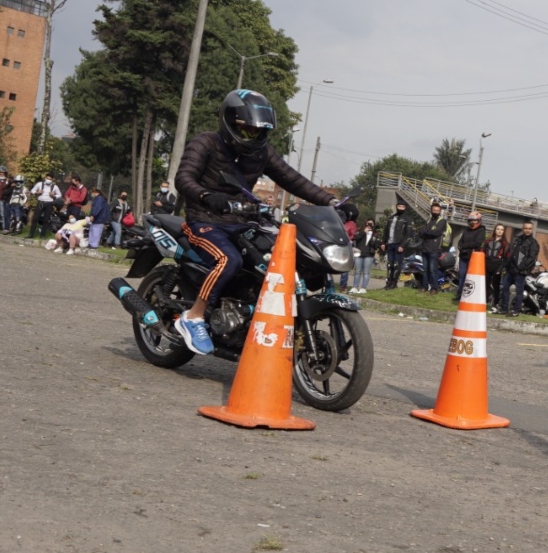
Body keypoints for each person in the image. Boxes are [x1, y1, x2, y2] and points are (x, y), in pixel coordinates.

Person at [172, 89, 355, 355]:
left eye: (258, 131)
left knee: (274, 261)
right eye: (247, 130)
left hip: (244, 222)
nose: (253, 136)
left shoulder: (262, 153)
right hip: (204, 221)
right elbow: (184, 178)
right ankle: (194, 317)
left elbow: (293, 179)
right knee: (228, 260)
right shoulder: (206, 143)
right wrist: (206, 195)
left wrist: (331, 202)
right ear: (229, 122)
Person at [499, 222, 540, 317]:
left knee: (519, 291)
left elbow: (531, 258)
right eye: (526, 228)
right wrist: (506, 266)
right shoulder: (517, 239)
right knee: (505, 287)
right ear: (522, 228)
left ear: (532, 229)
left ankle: (516, 311)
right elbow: (511, 253)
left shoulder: (533, 243)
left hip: (521, 271)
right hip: (511, 269)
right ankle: (504, 308)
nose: (527, 230)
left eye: (529, 228)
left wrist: (520, 267)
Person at [453, 211, 488, 302]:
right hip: (463, 256)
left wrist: (465, 246)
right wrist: (461, 247)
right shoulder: (467, 230)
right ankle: (459, 293)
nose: (472, 222)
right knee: (461, 275)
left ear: (479, 220)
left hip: (472, 257)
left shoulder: (481, 230)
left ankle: (467, 295)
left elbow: (477, 243)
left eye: (474, 220)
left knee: (470, 277)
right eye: (471, 220)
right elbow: (460, 241)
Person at [381, 201, 413, 289]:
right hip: (390, 243)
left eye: (402, 206)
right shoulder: (391, 218)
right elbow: (386, 231)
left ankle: (394, 283)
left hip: (399, 244)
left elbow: (409, 234)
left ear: (405, 207)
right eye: (399, 206)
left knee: (396, 265)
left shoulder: (407, 219)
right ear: (396, 206)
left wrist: (403, 245)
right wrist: (383, 242)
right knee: (389, 264)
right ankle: (389, 282)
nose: (400, 208)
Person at [418, 202, 448, 293]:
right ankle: (424, 286)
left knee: (432, 270)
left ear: (440, 211)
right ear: (431, 210)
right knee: (425, 270)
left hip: (435, 249)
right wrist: (428, 232)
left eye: (437, 211)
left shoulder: (442, 221)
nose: (435, 212)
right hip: (425, 248)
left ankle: (435, 288)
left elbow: (436, 233)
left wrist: (426, 232)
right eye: (434, 210)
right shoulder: (428, 220)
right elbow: (421, 232)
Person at [483, 223, 509, 307]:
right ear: (495, 230)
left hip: (497, 265)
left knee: (496, 286)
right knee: (485, 284)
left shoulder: (505, 243)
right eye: (498, 229)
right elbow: (482, 252)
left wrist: (500, 268)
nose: (500, 231)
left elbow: (506, 258)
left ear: (504, 231)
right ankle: (485, 301)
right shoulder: (488, 241)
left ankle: (495, 304)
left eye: (502, 229)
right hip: (487, 263)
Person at [29, 174, 61, 239]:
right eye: (47, 178)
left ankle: (42, 235)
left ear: (52, 180)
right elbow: (32, 191)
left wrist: (54, 195)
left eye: (50, 179)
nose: (48, 180)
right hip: (41, 202)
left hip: (49, 203)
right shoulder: (40, 184)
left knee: (46, 220)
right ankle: (31, 234)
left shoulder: (54, 187)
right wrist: (37, 193)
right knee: (35, 218)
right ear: (45, 178)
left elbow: (59, 195)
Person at [350, 219, 378, 294]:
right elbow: (355, 238)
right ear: (365, 223)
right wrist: (364, 232)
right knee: (357, 271)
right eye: (368, 223)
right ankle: (355, 287)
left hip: (369, 255)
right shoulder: (360, 230)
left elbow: (375, 246)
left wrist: (371, 236)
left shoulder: (375, 233)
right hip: (359, 253)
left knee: (366, 272)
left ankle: (363, 288)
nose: (369, 225)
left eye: (371, 224)